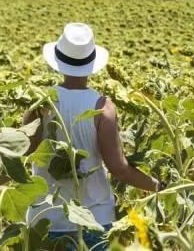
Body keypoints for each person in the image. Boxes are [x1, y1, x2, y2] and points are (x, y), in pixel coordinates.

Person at [25, 22, 162, 250]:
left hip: (45, 219)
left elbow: (25, 155)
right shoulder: (102, 107)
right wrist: (157, 185)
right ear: (91, 65)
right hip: (94, 219)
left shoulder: (40, 103)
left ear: (58, 63)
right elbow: (118, 168)